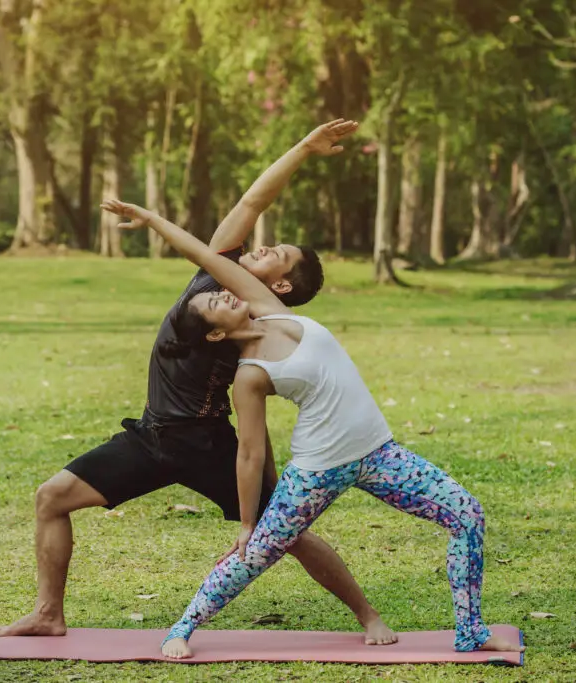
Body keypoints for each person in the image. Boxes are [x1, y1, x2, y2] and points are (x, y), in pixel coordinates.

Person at [0, 120, 397, 647]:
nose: (263, 243)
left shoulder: (247, 305)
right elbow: (254, 199)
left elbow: (255, 415)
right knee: (52, 497)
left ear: (276, 284)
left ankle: (368, 616)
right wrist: (301, 148)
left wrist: (266, 475)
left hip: (205, 443)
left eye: (277, 254)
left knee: (287, 534)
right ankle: (48, 613)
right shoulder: (219, 268)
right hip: (152, 435)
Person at [99, 198, 526, 659]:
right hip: (318, 470)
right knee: (257, 555)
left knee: (467, 515)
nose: (223, 291)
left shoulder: (267, 305)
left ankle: (470, 631)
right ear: (216, 334)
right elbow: (250, 452)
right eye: (213, 303)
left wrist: (153, 220)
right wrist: (247, 522)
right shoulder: (249, 374)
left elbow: (204, 255)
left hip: (381, 454)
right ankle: (182, 627)